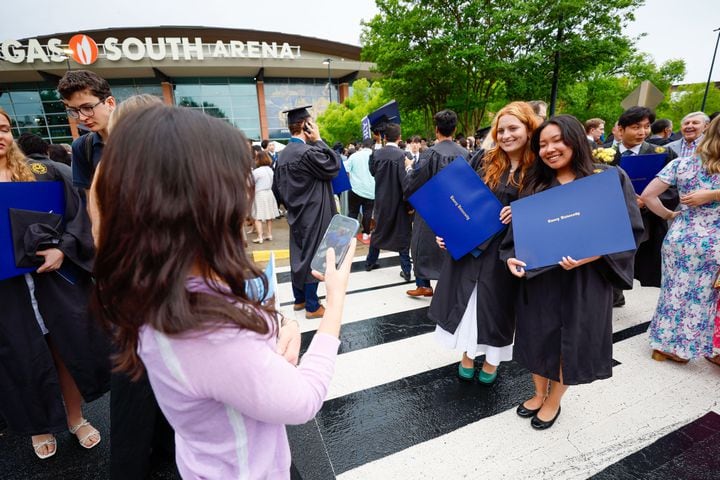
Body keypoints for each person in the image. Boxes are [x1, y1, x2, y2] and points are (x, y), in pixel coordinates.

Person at [90, 104, 354, 479]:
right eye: (235, 178)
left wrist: (280, 327)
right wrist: (335, 302)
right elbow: (303, 401)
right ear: (202, 200)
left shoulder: (157, 287)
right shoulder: (209, 332)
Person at [502, 115, 644, 430]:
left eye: (557, 140)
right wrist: (511, 258)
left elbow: (630, 231)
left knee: (571, 340)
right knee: (538, 336)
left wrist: (589, 256)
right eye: (542, 144)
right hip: (542, 280)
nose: (550, 149)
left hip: (586, 280)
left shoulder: (606, 178)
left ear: (575, 139)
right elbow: (518, 238)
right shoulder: (535, 184)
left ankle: (554, 401)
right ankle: (539, 393)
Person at [0, 107, 110, 459]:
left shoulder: (42, 173)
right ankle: (41, 426)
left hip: (52, 282)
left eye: (3, 129)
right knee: (22, 358)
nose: (0, 136)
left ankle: (76, 418)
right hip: (7, 292)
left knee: (64, 349)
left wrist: (62, 251)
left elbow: (78, 218)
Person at [89, 93, 178, 480]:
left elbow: (99, 237)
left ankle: (158, 447)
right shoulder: (141, 174)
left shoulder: (108, 170)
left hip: (125, 290)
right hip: (152, 291)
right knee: (140, 379)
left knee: (140, 377)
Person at [432, 102, 539, 384]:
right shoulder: (485, 159)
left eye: (513, 128)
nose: (505, 135)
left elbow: (548, 209)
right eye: (501, 130)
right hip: (472, 247)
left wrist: (521, 210)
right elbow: (458, 199)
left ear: (529, 129)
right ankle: (467, 355)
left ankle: (492, 361)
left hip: (507, 251)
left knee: (497, 307)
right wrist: (446, 231)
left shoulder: (540, 169)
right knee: (467, 303)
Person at [641, 115, 720, 364]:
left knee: (673, 292)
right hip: (714, 240)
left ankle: (664, 346)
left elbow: (648, 195)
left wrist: (669, 215)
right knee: (705, 296)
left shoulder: (682, 165)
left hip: (680, 236)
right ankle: (702, 347)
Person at [274, 105, 341, 319]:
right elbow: (333, 165)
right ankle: (312, 306)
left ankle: (299, 299)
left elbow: (277, 189)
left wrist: (291, 205)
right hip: (314, 211)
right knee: (314, 255)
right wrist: (319, 139)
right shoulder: (308, 152)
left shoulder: (282, 155)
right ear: (305, 125)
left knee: (299, 252)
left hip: (295, 212)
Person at [609, 106, 678, 304]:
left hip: (645, 218)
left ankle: (619, 289)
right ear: (620, 130)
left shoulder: (662, 154)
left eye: (646, 127)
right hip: (612, 217)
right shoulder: (603, 154)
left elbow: (673, 188)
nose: (642, 132)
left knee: (634, 255)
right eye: (636, 127)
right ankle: (615, 293)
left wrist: (646, 201)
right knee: (612, 255)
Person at [403, 109, 469, 297]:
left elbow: (414, 183)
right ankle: (451, 286)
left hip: (431, 210)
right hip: (459, 210)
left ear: (436, 130)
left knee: (422, 246)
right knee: (453, 246)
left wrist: (409, 174)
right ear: (455, 130)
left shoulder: (429, 154)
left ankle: (423, 284)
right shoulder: (466, 154)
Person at [365, 123, 413, 281]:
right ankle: (406, 270)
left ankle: (370, 262)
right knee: (403, 234)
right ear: (399, 137)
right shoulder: (403, 155)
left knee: (378, 231)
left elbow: (372, 172)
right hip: (398, 202)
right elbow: (405, 182)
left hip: (381, 200)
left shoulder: (376, 154)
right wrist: (410, 204)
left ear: (384, 137)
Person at [57, 70, 116, 196]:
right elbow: (90, 199)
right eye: (74, 110)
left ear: (110, 103)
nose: (82, 118)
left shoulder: (143, 137)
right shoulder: (83, 146)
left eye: (87, 108)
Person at [345, 138, 375, 244]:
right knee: (368, 212)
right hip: (371, 191)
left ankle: (349, 235)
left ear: (362, 145)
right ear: (373, 146)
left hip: (355, 189)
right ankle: (366, 233)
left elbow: (345, 169)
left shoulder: (354, 156)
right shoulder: (375, 156)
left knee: (353, 212)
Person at [252, 150, 280, 243]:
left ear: (258, 159)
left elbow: (250, 183)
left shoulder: (256, 171)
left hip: (259, 194)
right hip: (269, 193)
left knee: (257, 216)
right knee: (269, 216)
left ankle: (260, 237)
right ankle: (269, 234)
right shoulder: (270, 170)